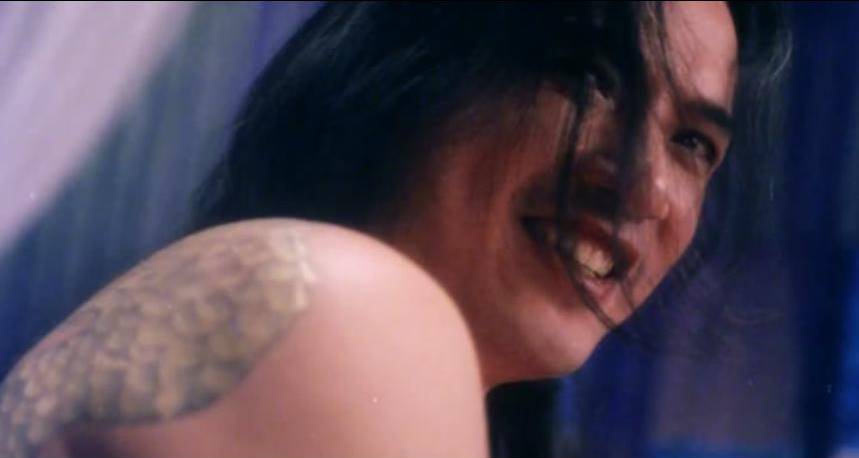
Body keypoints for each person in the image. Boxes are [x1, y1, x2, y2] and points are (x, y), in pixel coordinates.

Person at [0, 2, 788, 457]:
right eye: (585, 76)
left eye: (692, 143)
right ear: (411, 70)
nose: (645, 188)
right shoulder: (350, 300)